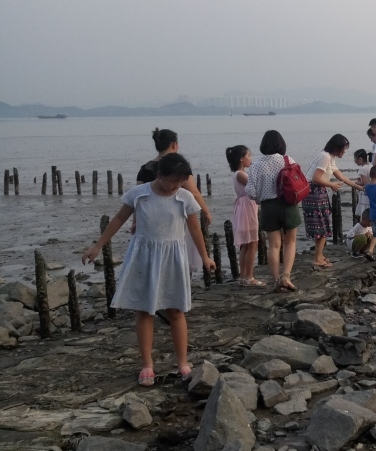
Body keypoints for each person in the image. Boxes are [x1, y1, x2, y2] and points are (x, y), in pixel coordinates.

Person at [82, 154, 215, 386]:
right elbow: (118, 220)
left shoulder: (184, 198)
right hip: (144, 257)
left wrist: (205, 257)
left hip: (173, 257)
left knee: (176, 310)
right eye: (173, 180)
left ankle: (182, 362)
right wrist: (97, 245)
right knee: (145, 310)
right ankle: (147, 365)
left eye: (181, 181)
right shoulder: (140, 194)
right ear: (159, 175)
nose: (176, 185)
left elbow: (195, 230)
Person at [245, 130, 301, 292]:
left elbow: (250, 191)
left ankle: (276, 279)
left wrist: (259, 197)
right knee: (290, 242)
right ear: (281, 144)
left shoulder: (256, 164)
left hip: (268, 207)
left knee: (274, 246)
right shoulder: (287, 160)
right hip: (288, 204)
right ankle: (286, 276)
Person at [303, 134, 362, 269]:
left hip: (318, 192)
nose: (345, 151)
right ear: (336, 148)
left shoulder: (330, 158)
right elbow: (316, 178)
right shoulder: (325, 157)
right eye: (343, 148)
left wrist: (357, 187)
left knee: (323, 224)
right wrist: (332, 185)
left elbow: (340, 175)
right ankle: (317, 258)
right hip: (314, 193)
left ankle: (319, 255)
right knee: (321, 226)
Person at [137, 128, 212, 227]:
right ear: (174, 144)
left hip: (150, 217)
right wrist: (206, 211)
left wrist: (136, 220)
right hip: (174, 217)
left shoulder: (144, 168)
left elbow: (138, 197)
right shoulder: (178, 167)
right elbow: (194, 192)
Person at [226, 145, 262, 287]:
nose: (250, 158)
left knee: (246, 244)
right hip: (247, 209)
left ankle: (244, 277)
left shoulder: (239, 173)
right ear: (241, 158)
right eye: (249, 155)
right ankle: (249, 277)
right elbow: (255, 186)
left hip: (246, 207)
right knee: (252, 242)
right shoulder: (241, 174)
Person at [353, 149, 372, 220]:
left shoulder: (363, 169)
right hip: (371, 192)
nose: (354, 161)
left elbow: (364, 182)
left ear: (360, 159)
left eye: (355, 158)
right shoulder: (370, 165)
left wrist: (355, 183)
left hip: (365, 194)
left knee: (364, 211)